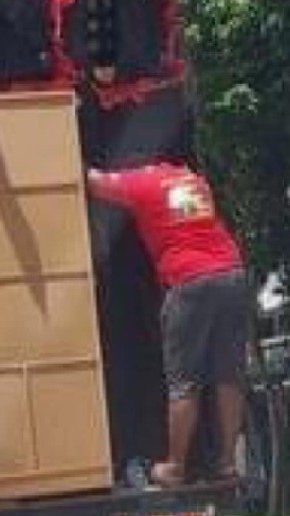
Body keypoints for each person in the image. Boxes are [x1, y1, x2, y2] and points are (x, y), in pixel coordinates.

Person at [86, 159, 250, 488]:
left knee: (183, 381)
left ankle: (175, 467)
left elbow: (94, 182)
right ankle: (228, 463)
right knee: (228, 374)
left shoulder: (145, 183)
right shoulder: (192, 180)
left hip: (189, 282)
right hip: (231, 272)